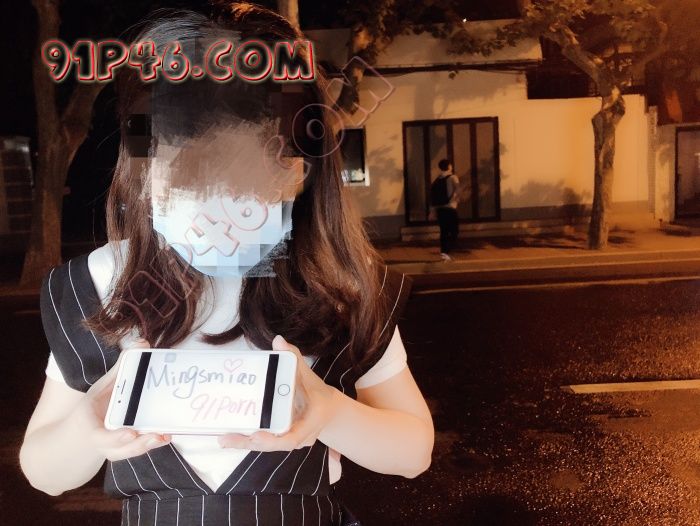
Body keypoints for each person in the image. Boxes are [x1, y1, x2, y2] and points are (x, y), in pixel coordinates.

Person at [18, 3, 434, 525]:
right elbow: (44, 471)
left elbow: (413, 451)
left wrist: (330, 411)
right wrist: (86, 427)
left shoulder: (338, 286)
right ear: (142, 170)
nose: (219, 212)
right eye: (190, 179)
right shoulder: (96, 286)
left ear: (299, 172)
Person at [430, 159, 460, 261]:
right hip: (450, 208)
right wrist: (455, 198)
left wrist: (432, 211)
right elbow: (458, 189)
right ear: (449, 166)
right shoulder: (453, 177)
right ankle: (447, 251)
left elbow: (433, 196)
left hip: (440, 209)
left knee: (444, 231)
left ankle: (444, 253)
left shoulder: (437, 179)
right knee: (455, 231)